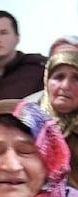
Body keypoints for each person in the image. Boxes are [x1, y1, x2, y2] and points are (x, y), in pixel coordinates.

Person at [31, 37, 78, 187]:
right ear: (46, 81)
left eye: (76, 78)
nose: (65, 86)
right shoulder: (27, 120)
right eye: (58, 77)